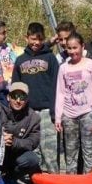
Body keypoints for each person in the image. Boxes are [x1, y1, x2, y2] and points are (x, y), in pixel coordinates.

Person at [12, 22, 60, 173]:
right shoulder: (20, 60)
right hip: (28, 112)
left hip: (46, 111)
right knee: (32, 146)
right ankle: (35, 178)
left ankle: (54, 178)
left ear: (44, 39)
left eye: (39, 39)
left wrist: (54, 110)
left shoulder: (50, 58)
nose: (36, 43)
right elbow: (16, 86)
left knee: (49, 148)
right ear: (26, 38)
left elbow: (56, 85)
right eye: (33, 39)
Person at [55, 32, 92, 174]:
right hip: (69, 115)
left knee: (89, 151)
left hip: (88, 113)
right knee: (70, 153)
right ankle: (71, 182)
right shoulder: (63, 68)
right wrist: (59, 116)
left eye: (75, 48)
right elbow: (60, 93)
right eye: (69, 48)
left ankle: (90, 181)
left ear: (82, 47)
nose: (72, 51)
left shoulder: (91, 65)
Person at [0, 82, 42, 184]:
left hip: (16, 155)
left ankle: (10, 178)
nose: (18, 101)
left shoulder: (34, 117)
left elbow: (33, 141)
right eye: (15, 96)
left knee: (32, 159)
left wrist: (14, 142)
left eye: (22, 97)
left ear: (27, 99)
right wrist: (1, 138)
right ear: (8, 97)